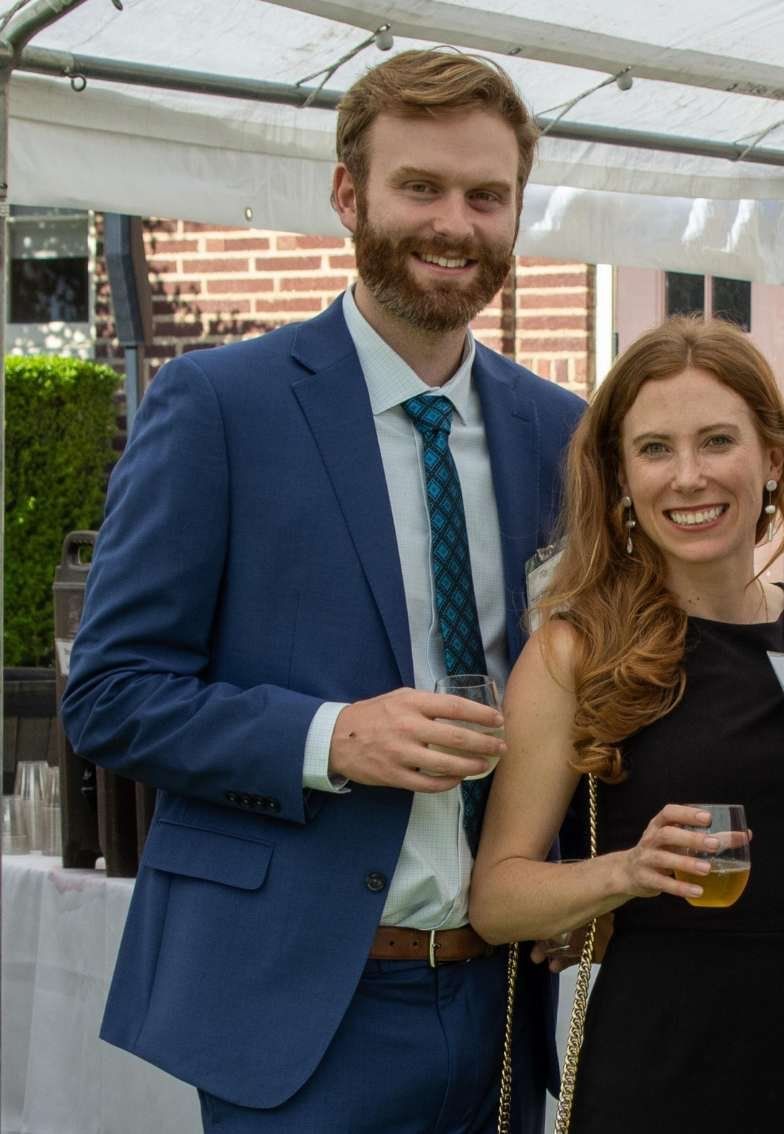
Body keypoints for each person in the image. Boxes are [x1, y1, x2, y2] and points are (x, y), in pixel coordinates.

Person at [61, 50, 585, 1132]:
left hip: (501, 999)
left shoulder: (560, 431)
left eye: (486, 196)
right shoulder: (217, 407)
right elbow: (109, 695)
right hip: (299, 1008)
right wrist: (329, 738)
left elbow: (586, 684)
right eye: (420, 187)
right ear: (349, 194)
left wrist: (577, 869)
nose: (454, 224)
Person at [467, 316, 784, 1133]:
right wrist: (624, 873)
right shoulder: (576, 651)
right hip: (660, 1072)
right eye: (655, 449)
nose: (688, 477)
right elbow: (497, 898)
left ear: (772, 458)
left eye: (717, 441)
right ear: (622, 478)